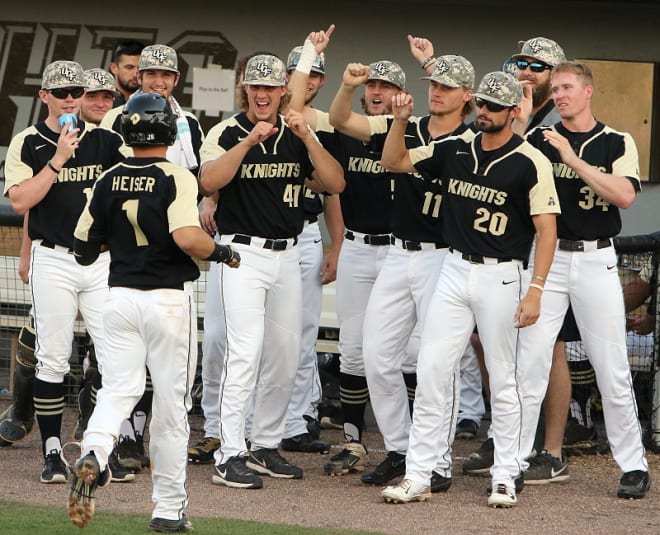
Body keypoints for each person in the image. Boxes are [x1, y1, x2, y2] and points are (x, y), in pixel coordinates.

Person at [379, 71, 559, 508]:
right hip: (455, 269)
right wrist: (400, 121)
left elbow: (547, 231)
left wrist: (535, 290)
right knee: (432, 370)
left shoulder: (530, 160)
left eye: (494, 106)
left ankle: (506, 473)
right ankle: (419, 472)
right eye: (481, 103)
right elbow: (394, 163)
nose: (484, 111)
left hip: (504, 275)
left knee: (504, 378)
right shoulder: (454, 148)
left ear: (515, 111)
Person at [66, 92, 240, 532]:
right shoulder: (177, 176)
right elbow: (187, 238)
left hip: (118, 298)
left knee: (118, 389)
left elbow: (83, 248)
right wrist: (221, 252)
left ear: (127, 130)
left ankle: (96, 452)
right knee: (171, 408)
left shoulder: (108, 178)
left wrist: (121, 240)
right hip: (165, 300)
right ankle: (167, 509)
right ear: (167, 130)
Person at [198, 52, 344, 489]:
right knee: (244, 353)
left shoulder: (298, 132)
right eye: (255, 87)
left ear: (284, 91)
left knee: (284, 356)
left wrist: (308, 137)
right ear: (245, 89)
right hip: (242, 254)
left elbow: (335, 183)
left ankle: (264, 445)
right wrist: (246, 143)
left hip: (287, 253)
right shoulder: (227, 131)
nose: (262, 94)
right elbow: (208, 182)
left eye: (270, 87)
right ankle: (228, 453)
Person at [520, 61, 650, 498]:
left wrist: (572, 159)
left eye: (568, 87)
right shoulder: (540, 138)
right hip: (549, 260)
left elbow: (626, 196)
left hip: (596, 259)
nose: (559, 95)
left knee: (611, 366)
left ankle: (632, 465)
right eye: (555, 89)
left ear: (588, 91)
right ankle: (516, 460)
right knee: (532, 361)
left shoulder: (615, 140)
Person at [2, 60, 127, 483]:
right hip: (53, 258)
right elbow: (20, 202)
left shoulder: (108, 140)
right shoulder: (29, 141)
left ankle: (100, 447)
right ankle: (52, 453)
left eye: (77, 92)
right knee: (52, 360)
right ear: (45, 97)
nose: (71, 99)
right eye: (62, 93)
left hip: (101, 259)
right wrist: (57, 160)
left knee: (114, 359)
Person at [463, 35, 567, 476]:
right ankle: (501, 433)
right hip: (500, 247)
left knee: (549, 348)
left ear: (555, 76)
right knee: (486, 339)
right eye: (519, 62)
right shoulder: (504, 113)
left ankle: (552, 449)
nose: (525, 71)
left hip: (549, 246)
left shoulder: (564, 118)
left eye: (537, 66)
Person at [102, 44, 205, 470]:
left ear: (176, 80)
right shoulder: (115, 118)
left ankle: (127, 437)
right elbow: (104, 179)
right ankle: (128, 439)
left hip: (172, 250)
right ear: (137, 77)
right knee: (119, 359)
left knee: (158, 364)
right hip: (128, 251)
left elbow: (198, 181)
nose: (158, 81)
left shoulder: (190, 122)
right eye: (151, 75)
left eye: (166, 75)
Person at [322, 58, 405, 476]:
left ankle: (404, 447)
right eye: (372, 84)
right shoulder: (349, 132)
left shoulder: (411, 131)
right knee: (352, 351)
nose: (377, 91)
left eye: (386, 85)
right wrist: (336, 244)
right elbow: (332, 190)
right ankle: (353, 443)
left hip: (400, 252)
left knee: (401, 354)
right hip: (356, 246)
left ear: (400, 94)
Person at [280, 38, 344, 454]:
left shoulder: (322, 121)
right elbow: (292, 105)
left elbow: (332, 193)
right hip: (267, 234)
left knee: (302, 331)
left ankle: (300, 415)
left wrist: (334, 244)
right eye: (306, 72)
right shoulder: (276, 113)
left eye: (318, 74)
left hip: (304, 231)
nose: (311, 81)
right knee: (266, 336)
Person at [108, 39, 145, 107]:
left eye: (140, 68)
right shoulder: (102, 104)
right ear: (114, 68)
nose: (135, 74)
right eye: (129, 67)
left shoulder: (148, 103)